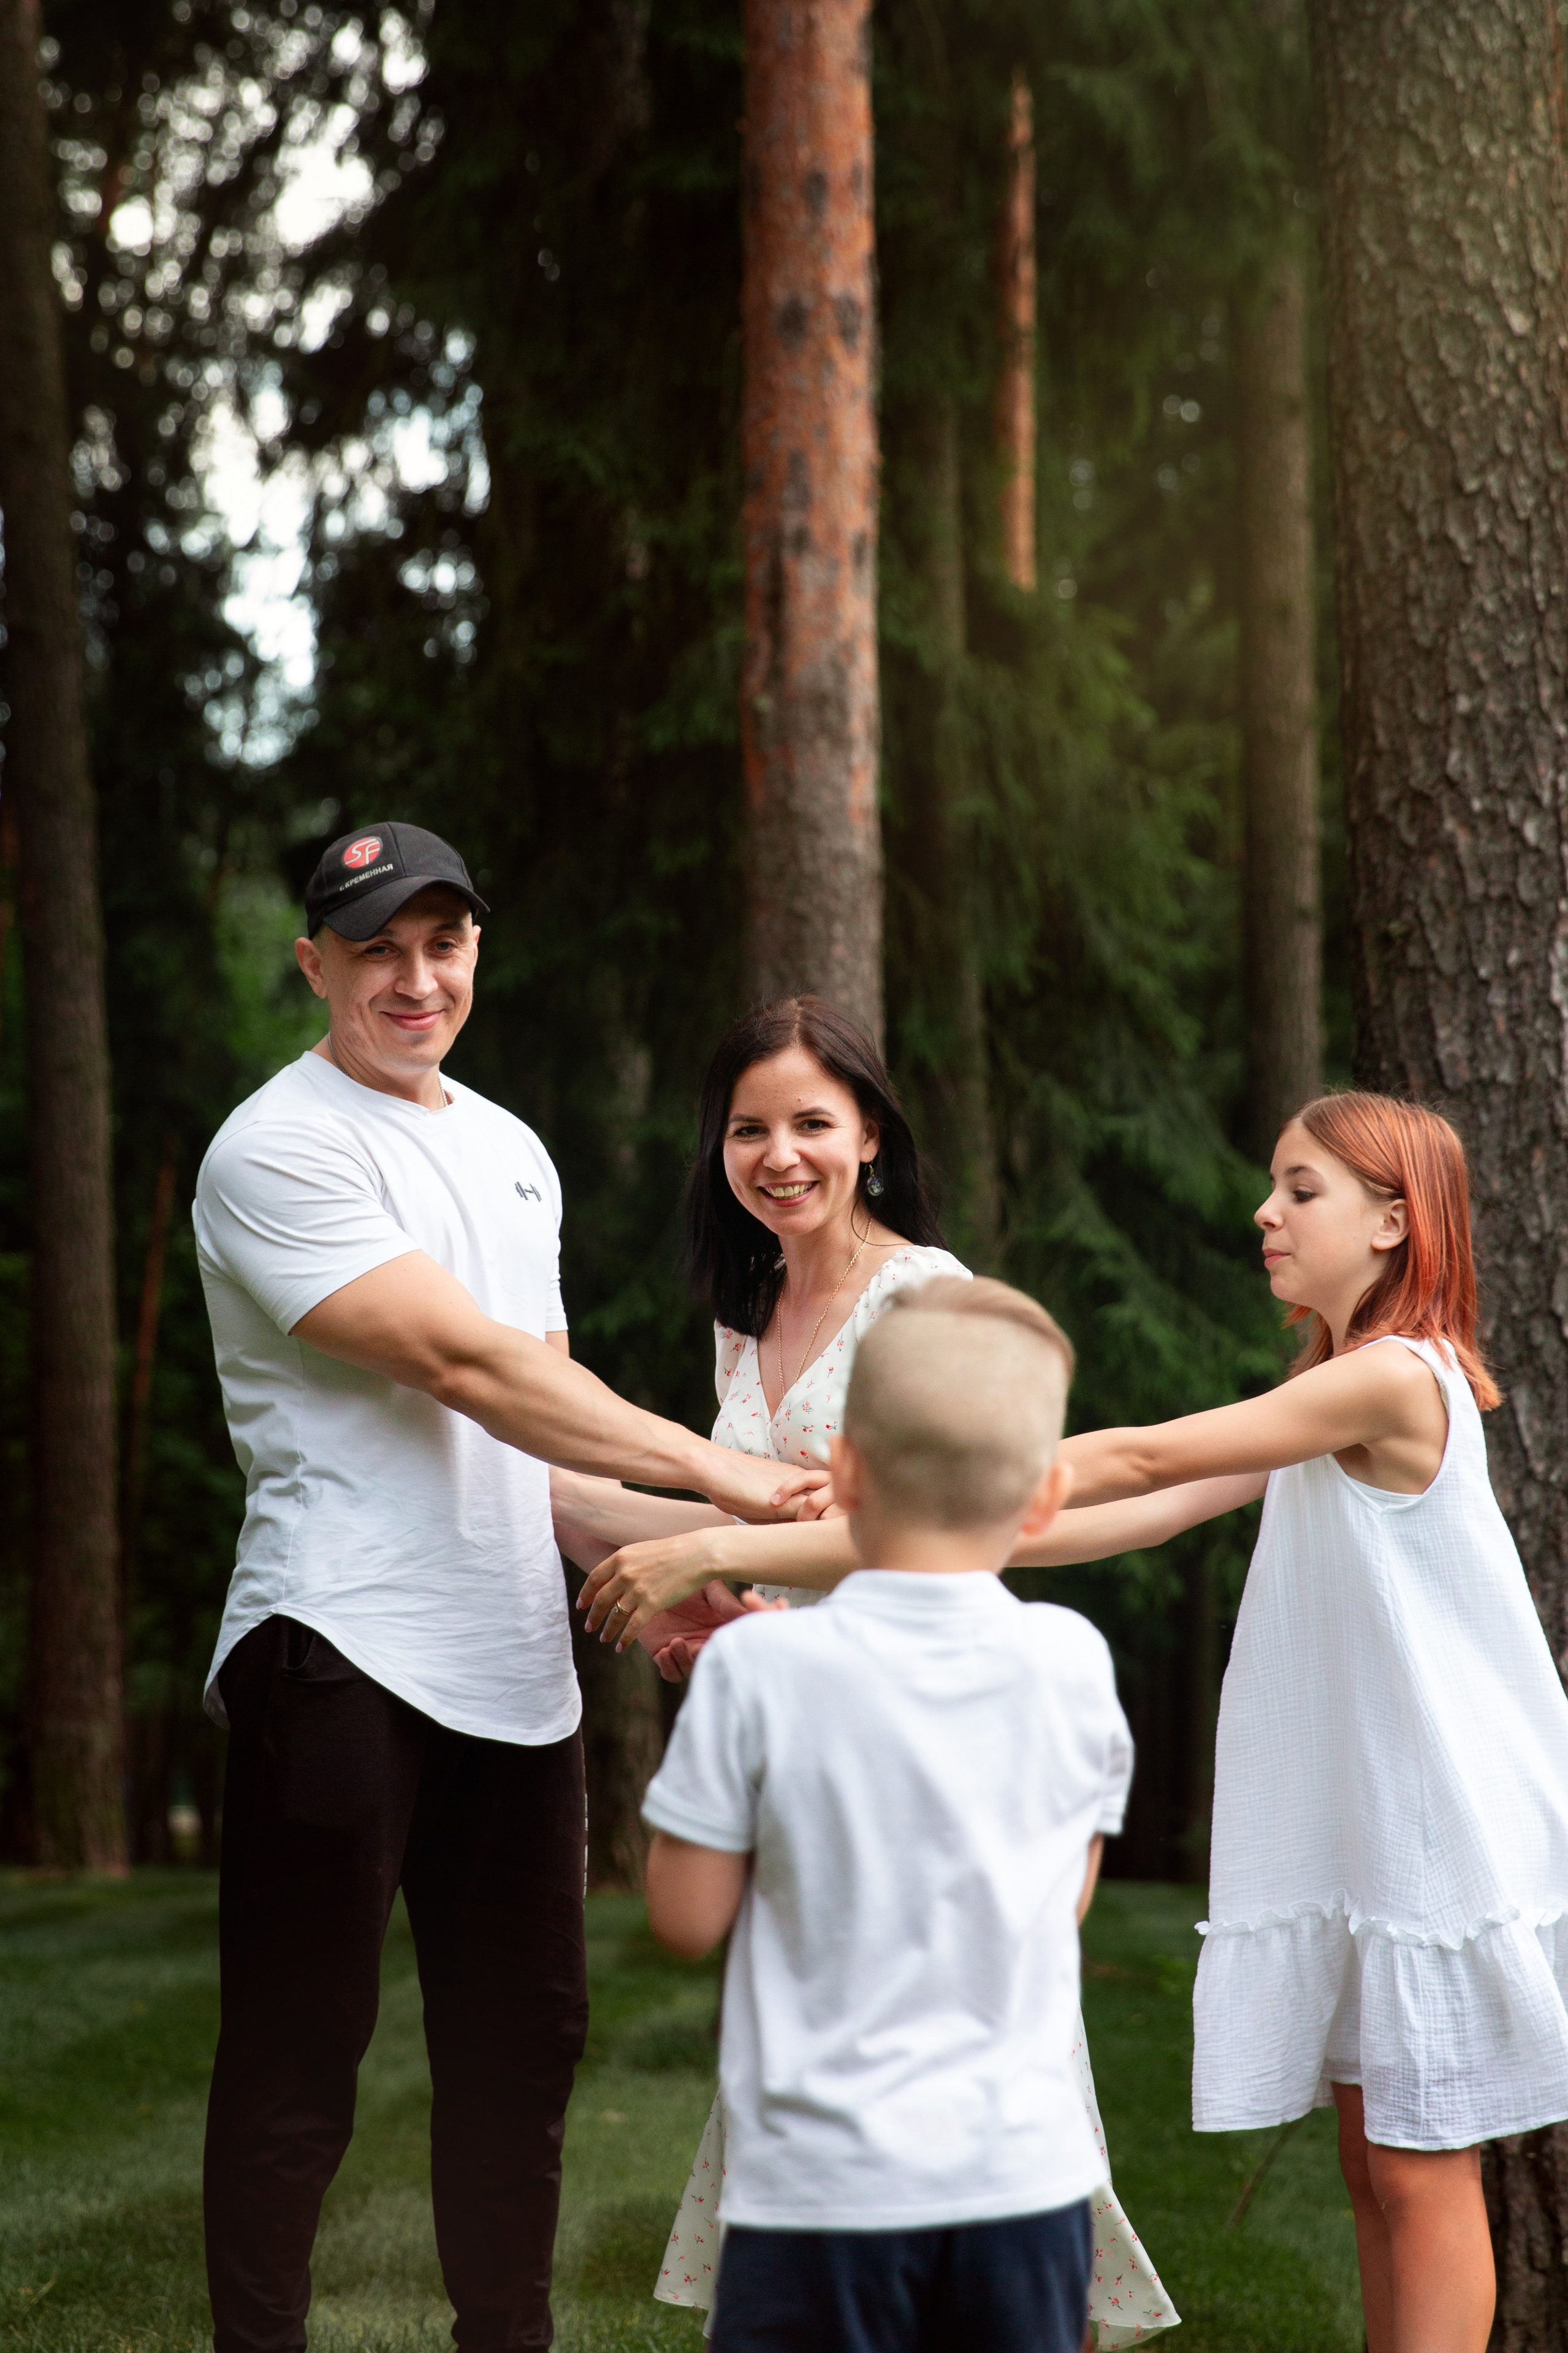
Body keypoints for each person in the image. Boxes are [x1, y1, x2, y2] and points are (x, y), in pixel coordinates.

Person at [194, 823, 823, 2353]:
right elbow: (464, 1367)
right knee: (297, 2062)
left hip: (512, 1669)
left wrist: (664, 1561)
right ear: (316, 964)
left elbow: (533, 1452)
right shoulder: (275, 1147)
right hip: (331, 1647)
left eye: (444, 944)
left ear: (476, 950)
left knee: (521, 2060)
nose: (416, 979)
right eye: (376, 949)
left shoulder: (511, 1150)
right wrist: (721, 1474)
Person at [552, 998, 1178, 2348]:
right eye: (748, 1128)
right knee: (821, 2056)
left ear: (872, 1136)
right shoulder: (747, 1308)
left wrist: (711, 1551)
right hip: (799, 1737)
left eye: (811, 1124)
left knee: (929, 2048)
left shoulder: (926, 1293)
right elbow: (777, 1534)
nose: (779, 1154)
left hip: (919, 1730)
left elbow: (928, 1518)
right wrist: (713, 1607)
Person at [1010, 1091, 1568, 2353]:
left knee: (1422, 2177)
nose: (1264, 1211)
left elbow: (1146, 1462)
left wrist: (954, 1460)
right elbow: (1137, 1513)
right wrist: (926, 1532)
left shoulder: (1389, 1379)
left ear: (1391, 1221)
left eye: (1299, 1190)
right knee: (1377, 2170)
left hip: (1443, 1827)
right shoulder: (1327, 1381)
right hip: (1385, 1825)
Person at [639, 1278, 1130, 2353]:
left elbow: (684, 1918)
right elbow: (1066, 1898)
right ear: (1044, 1496)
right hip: (1024, 2184)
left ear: (843, 1473)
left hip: (816, 2194)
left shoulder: (759, 1669)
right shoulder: (1073, 1665)